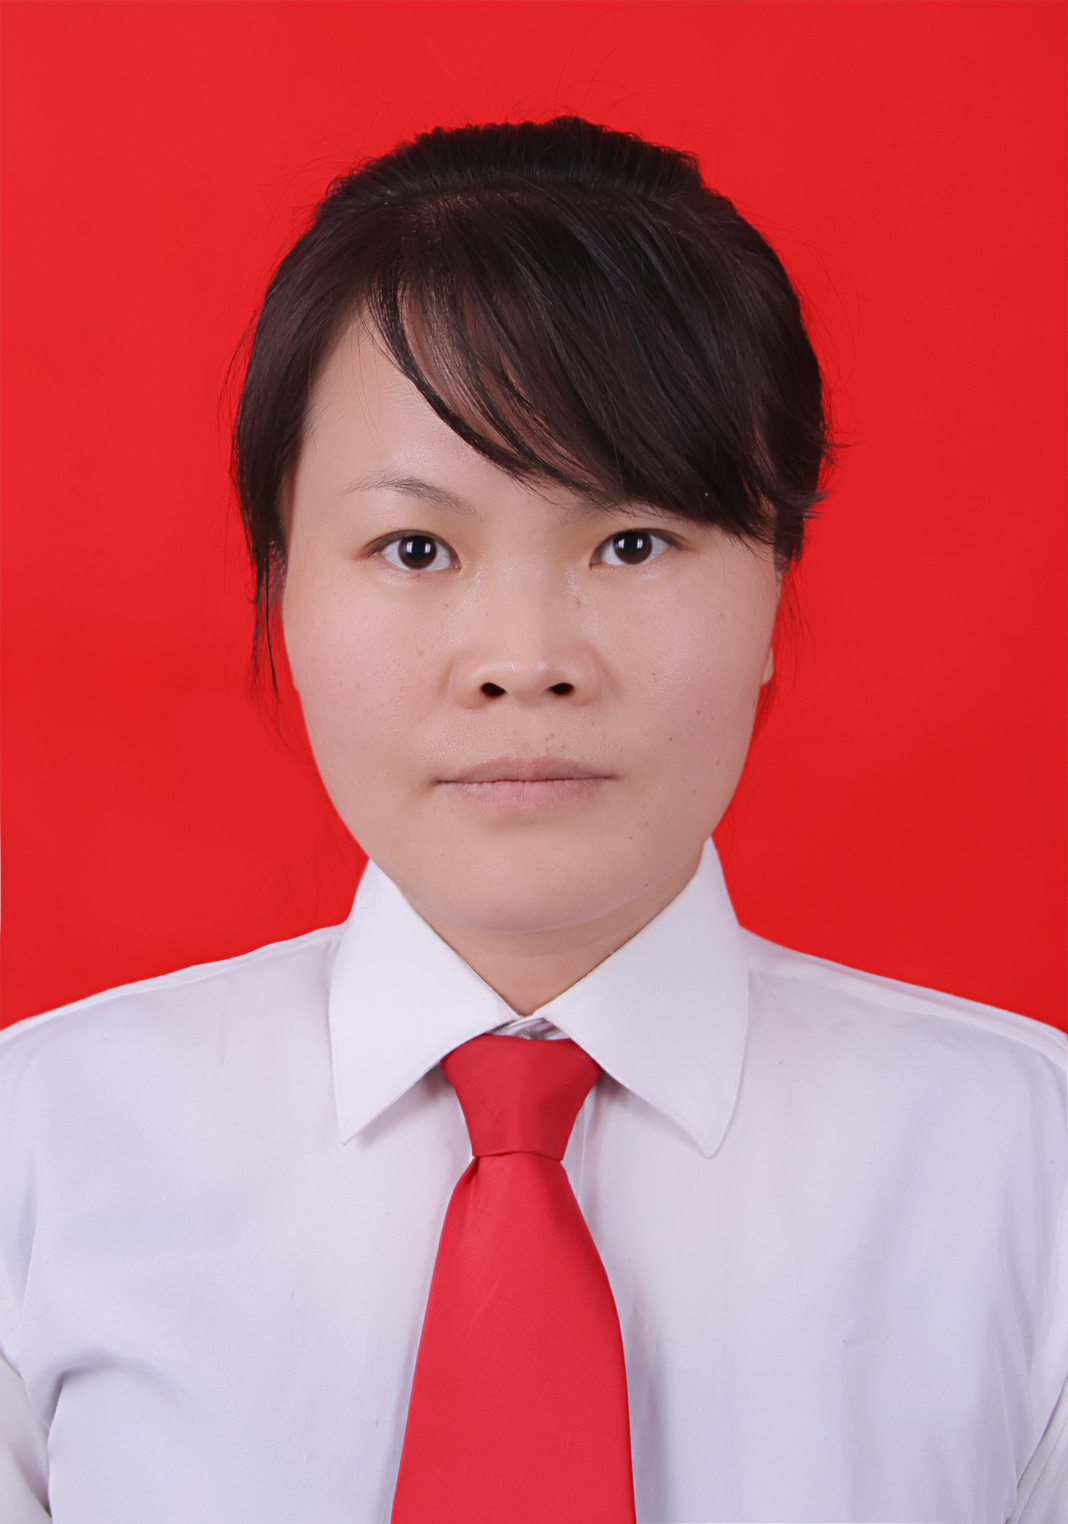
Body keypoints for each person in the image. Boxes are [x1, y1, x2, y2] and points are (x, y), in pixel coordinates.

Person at [0, 117, 1064, 1524]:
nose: (524, 658)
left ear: (775, 580)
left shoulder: (1029, 1171)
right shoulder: (38, 1154)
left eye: (633, 542)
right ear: (280, 586)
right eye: (416, 547)